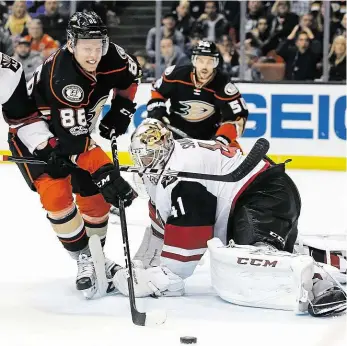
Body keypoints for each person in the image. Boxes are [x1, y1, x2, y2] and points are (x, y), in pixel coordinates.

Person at [112, 119, 346, 317]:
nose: (144, 164)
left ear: (164, 147)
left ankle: (319, 283)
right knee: (258, 253)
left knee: (253, 259)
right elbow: (160, 228)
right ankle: (336, 260)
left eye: (150, 155)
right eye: (140, 157)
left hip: (262, 194)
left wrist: (156, 280)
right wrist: (138, 265)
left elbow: (187, 248)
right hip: (258, 194)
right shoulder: (166, 168)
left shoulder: (182, 173)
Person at [2, 11, 141, 299]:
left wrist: (122, 108)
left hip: (75, 134)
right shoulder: (63, 76)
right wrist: (106, 171)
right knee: (57, 197)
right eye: (86, 47)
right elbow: (75, 144)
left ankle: (97, 255)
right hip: (36, 137)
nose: (93, 54)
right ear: (71, 44)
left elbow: (131, 75)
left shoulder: (112, 55)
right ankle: (84, 258)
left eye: (98, 46)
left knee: (97, 202)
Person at [147, 40, 248, 147]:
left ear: (216, 63)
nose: (204, 67)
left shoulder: (223, 85)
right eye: (200, 61)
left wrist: (221, 139)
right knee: (147, 135)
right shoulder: (177, 74)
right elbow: (157, 91)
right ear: (193, 61)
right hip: (174, 133)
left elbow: (237, 118)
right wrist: (157, 110)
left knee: (235, 151)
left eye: (210, 62)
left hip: (209, 137)